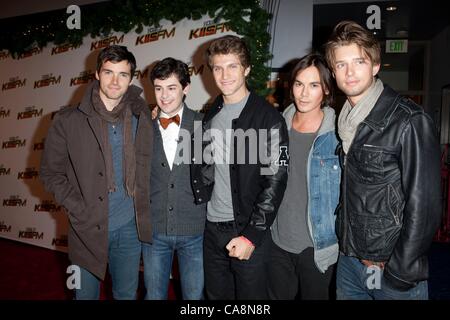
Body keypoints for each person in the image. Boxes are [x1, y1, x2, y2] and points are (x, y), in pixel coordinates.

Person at [324, 21, 441, 300]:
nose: (350, 72)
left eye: (359, 62)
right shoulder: (346, 122)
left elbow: (425, 208)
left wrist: (399, 270)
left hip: (389, 267)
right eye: (341, 64)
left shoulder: (409, 120)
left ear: (375, 66)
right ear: (333, 72)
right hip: (350, 260)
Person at [40, 45, 153, 299]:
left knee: (126, 294)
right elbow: (50, 173)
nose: (115, 81)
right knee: (85, 296)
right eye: (109, 72)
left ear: (131, 78)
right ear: (97, 74)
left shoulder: (141, 115)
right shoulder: (68, 120)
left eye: (123, 74)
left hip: (129, 228)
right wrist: (78, 208)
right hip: (87, 227)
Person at [191, 35, 289, 300]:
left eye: (232, 66)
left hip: (246, 228)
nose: (224, 75)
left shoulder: (268, 117)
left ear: (246, 69)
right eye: (218, 67)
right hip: (212, 229)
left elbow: (275, 180)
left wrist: (252, 234)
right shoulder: (212, 112)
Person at [267, 53, 340, 300]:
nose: (304, 93)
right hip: (277, 241)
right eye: (299, 84)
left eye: (313, 85)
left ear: (327, 90)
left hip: (317, 247)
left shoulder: (340, 134)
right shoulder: (276, 127)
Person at [142, 57, 206, 300]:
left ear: (186, 88)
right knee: (154, 296)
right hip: (155, 231)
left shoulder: (203, 125)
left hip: (195, 231)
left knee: (194, 298)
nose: (164, 96)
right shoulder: (143, 128)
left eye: (171, 88)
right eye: (158, 88)